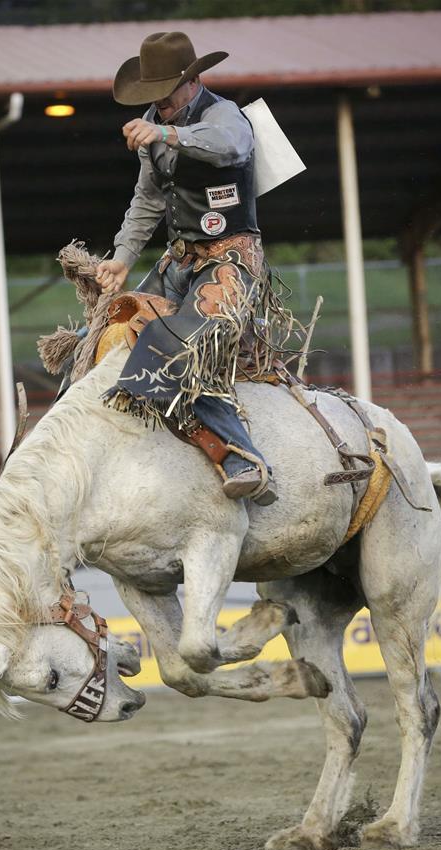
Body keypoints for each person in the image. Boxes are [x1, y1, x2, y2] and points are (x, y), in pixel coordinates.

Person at [94, 31, 280, 505]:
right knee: (105, 332)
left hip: (232, 255)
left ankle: (243, 459)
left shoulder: (224, 115)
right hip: (180, 257)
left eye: (165, 95)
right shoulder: (156, 128)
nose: (159, 105)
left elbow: (232, 146)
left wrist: (165, 132)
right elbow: (147, 200)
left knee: (185, 346)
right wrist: (122, 257)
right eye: (151, 98)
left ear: (193, 81)